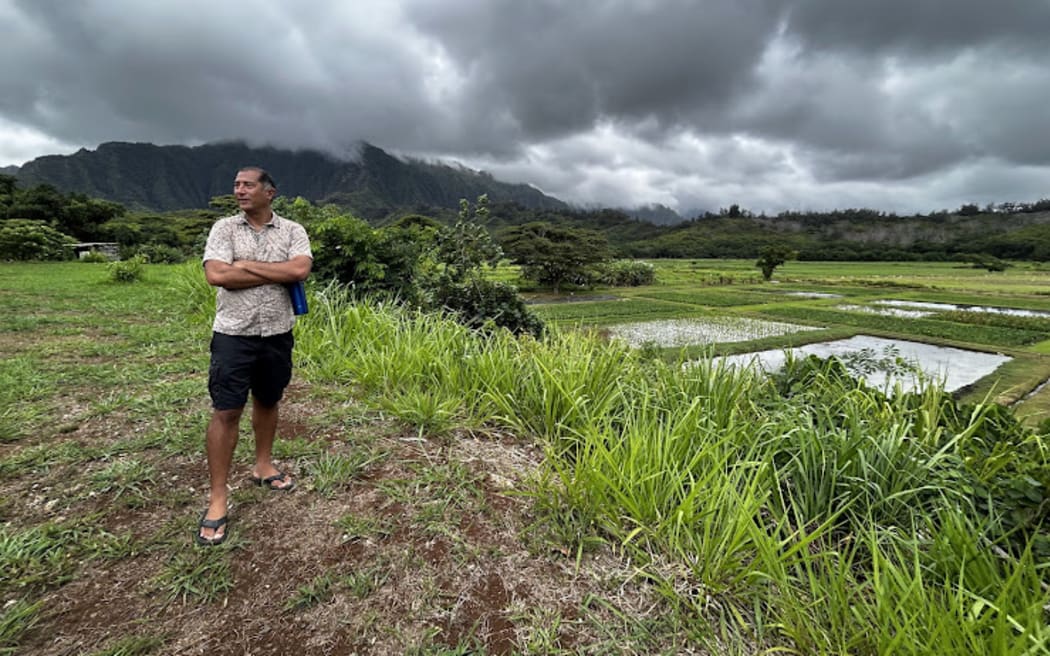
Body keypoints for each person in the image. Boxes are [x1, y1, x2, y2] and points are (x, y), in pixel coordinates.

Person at [196, 166, 312, 546]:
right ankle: (217, 498)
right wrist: (276, 273)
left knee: (268, 399)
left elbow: (300, 268)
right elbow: (217, 275)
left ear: (270, 192)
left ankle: (263, 465)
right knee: (226, 410)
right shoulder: (224, 229)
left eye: (247, 185)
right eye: (236, 185)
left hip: (277, 333)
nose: (239, 191)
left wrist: (243, 266)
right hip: (233, 334)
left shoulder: (293, 230)